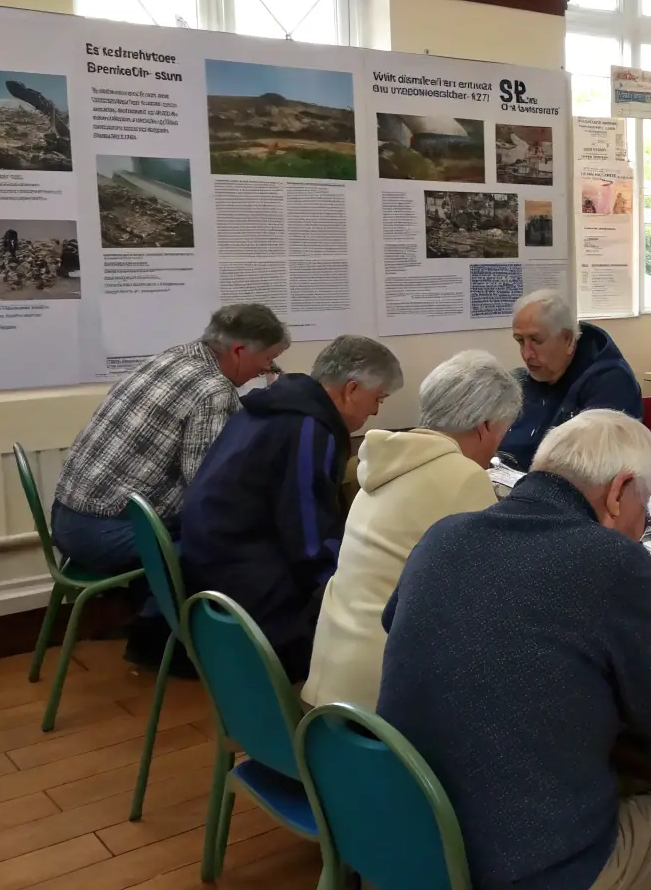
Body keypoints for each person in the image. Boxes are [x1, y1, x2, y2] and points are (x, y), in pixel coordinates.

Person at [378, 410, 651, 890]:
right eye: (645, 515)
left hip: (408, 833)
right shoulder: (612, 561)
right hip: (517, 868)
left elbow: (397, 624)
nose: (641, 530)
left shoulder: (445, 534)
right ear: (619, 493)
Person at [303, 350, 520, 710]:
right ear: (485, 426)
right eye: (504, 430)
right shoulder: (461, 476)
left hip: (332, 685)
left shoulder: (385, 460)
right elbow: (496, 592)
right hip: (381, 702)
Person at [179, 335, 403, 681]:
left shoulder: (274, 405)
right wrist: (348, 583)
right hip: (243, 583)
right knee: (367, 633)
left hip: (209, 565)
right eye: (378, 399)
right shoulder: (309, 429)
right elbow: (308, 539)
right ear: (351, 389)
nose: (375, 411)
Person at [52, 303, 289, 578]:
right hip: (100, 532)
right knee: (239, 550)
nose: (267, 369)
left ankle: (153, 611)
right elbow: (207, 487)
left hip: (66, 517)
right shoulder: (213, 390)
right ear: (238, 351)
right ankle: (166, 619)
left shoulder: (172, 357)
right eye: (268, 359)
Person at [498, 289, 642, 469]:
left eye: (536, 340)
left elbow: (590, 469)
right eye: (520, 341)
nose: (526, 354)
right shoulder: (529, 378)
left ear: (567, 340)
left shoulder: (611, 382)